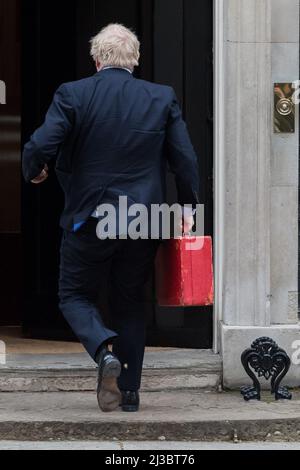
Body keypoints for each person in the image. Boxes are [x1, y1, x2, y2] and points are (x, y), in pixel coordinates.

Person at [22, 23, 200, 413]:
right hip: (144, 220)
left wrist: (34, 169)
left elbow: (41, 143)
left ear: (97, 59)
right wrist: (188, 209)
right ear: (135, 60)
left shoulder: (73, 93)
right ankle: (131, 393)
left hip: (90, 218)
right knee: (130, 302)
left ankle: (103, 350)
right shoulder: (161, 96)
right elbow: (184, 160)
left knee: (73, 296)